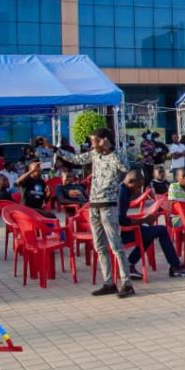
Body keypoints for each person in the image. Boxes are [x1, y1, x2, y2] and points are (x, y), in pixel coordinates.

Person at [53, 128, 135, 298]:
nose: (92, 144)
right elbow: (75, 159)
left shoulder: (115, 155)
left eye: (95, 141)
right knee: (99, 246)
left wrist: (110, 149)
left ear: (104, 140)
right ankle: (108, 282)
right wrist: (55, 150)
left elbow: (125, 167)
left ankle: (126, 284)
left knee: (115, 246)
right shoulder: (93, 155)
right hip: (94, 205)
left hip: (108, 205)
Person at [118, 170, 185, 281]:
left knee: (150, 233)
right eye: (138, 187)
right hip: (119, 234)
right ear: (130, 181)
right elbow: (121, 220)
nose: (138, 191)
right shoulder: (122, 193)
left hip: (119, 231)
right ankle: (176, 266)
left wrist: (143, 220)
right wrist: (143, 220)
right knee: (161, 230)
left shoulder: (122, 189)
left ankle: (129, 264)